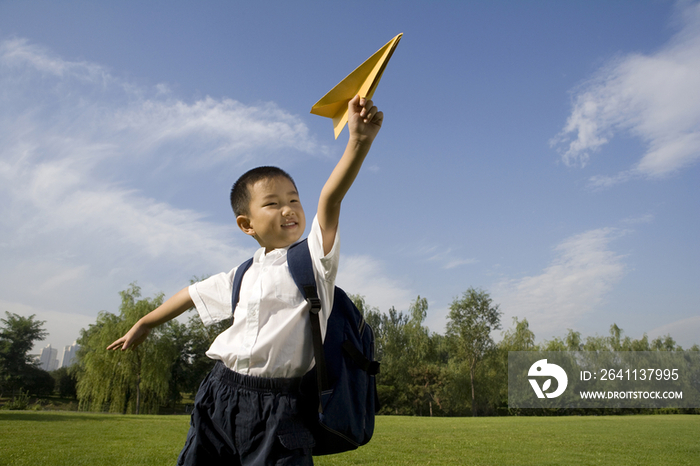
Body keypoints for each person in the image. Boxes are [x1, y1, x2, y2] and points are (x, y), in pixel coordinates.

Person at [107, 94, 383, 465]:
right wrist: (145, 322)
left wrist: (358, 142)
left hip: (281, 407)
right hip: (219, 392)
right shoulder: (241, 274)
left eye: (294, 199)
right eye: (272, 203)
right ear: (246, 224)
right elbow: (190, 294)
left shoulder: (315, 260)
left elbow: (330, 201)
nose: (288, 209)